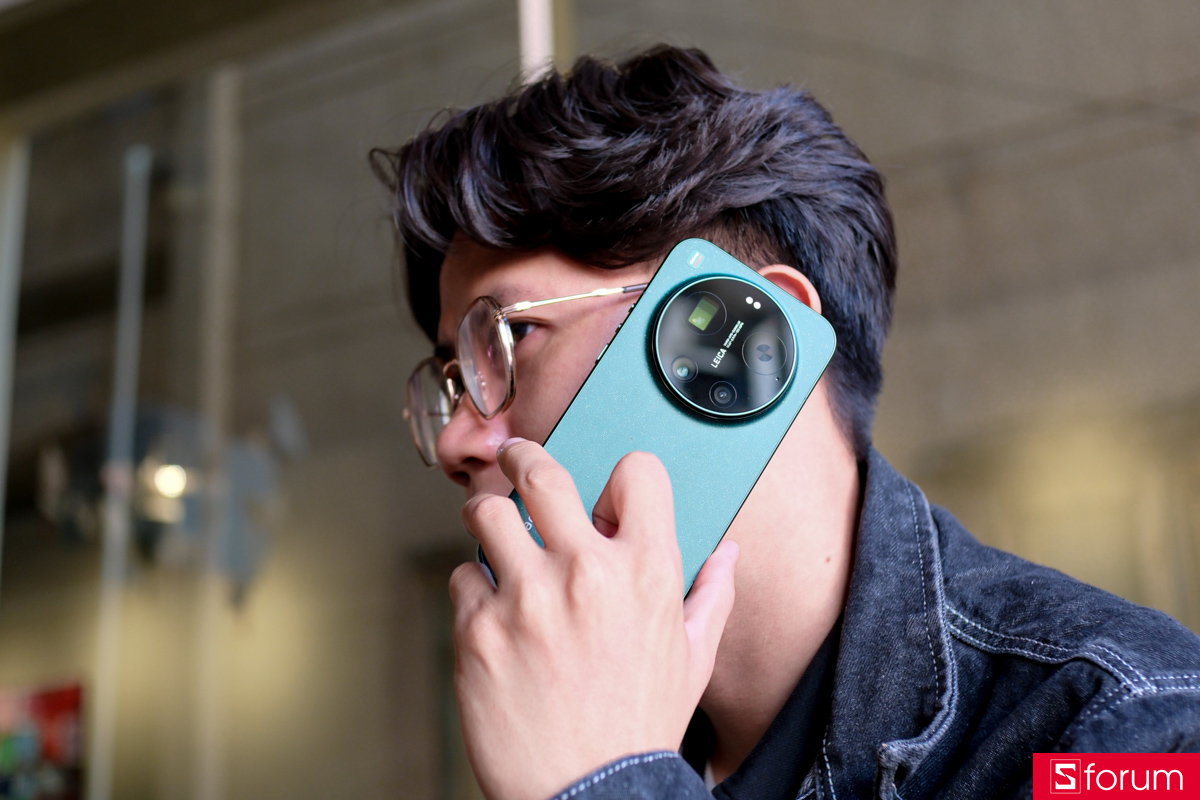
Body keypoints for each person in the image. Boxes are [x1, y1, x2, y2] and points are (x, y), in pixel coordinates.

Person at [371, 45, 1200, 800]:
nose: (454, 440)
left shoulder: (1134, 735)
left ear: (746, 340)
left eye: (507, 338)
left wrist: (606, 780)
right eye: (453, 381)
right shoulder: (550, 721)